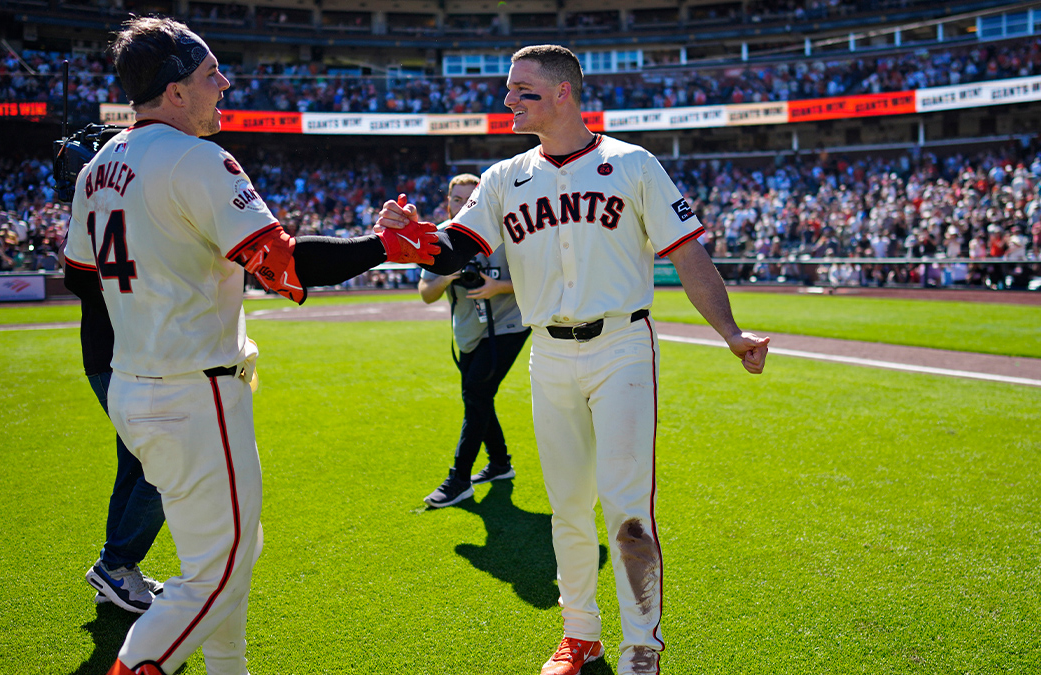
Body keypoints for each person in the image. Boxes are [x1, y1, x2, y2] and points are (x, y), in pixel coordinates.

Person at [62, 17, 438, 675]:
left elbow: (78, 277)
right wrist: (387, 246)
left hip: (137, 382)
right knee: (222, 563)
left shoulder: (96, 166)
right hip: (194, 385)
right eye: (211, 74)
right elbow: (281, 266)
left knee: (225, 548)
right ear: (176, 91)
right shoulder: (198, 158)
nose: (225, 83)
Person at [378, 45, 769, 675]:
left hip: (621, 346)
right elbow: (459, 246)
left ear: (564, 94)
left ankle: (642, 642)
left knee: (627, 507)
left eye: (522, 90)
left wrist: (729, 332)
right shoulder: (506, 176)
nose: (508, 100)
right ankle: (580, 634)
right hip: (549, 353)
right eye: (508, 89)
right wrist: (416, 236)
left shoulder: (632, 164)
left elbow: (688, 253)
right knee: (567, 505)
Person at [61, 247, 167, 615]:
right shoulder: (102, 204)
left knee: (137, 465)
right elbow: (77, 276)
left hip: (123, 352)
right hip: (119, 353)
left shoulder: (104, 199)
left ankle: (117, 572)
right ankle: (117, 565)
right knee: (165, 463)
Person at [418, 174, 530, 508]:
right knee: (479, 397)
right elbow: (426, 293)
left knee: (476, 393)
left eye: (471, 198)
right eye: (456, 199)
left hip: (508, 324)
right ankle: (500, 464)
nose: (463, 205)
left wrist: (499, 287)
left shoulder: (507, 231)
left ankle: (459, 479)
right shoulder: (438, 237)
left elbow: (542, 279)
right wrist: (448, 276)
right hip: (467, 331)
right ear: (447, 201)